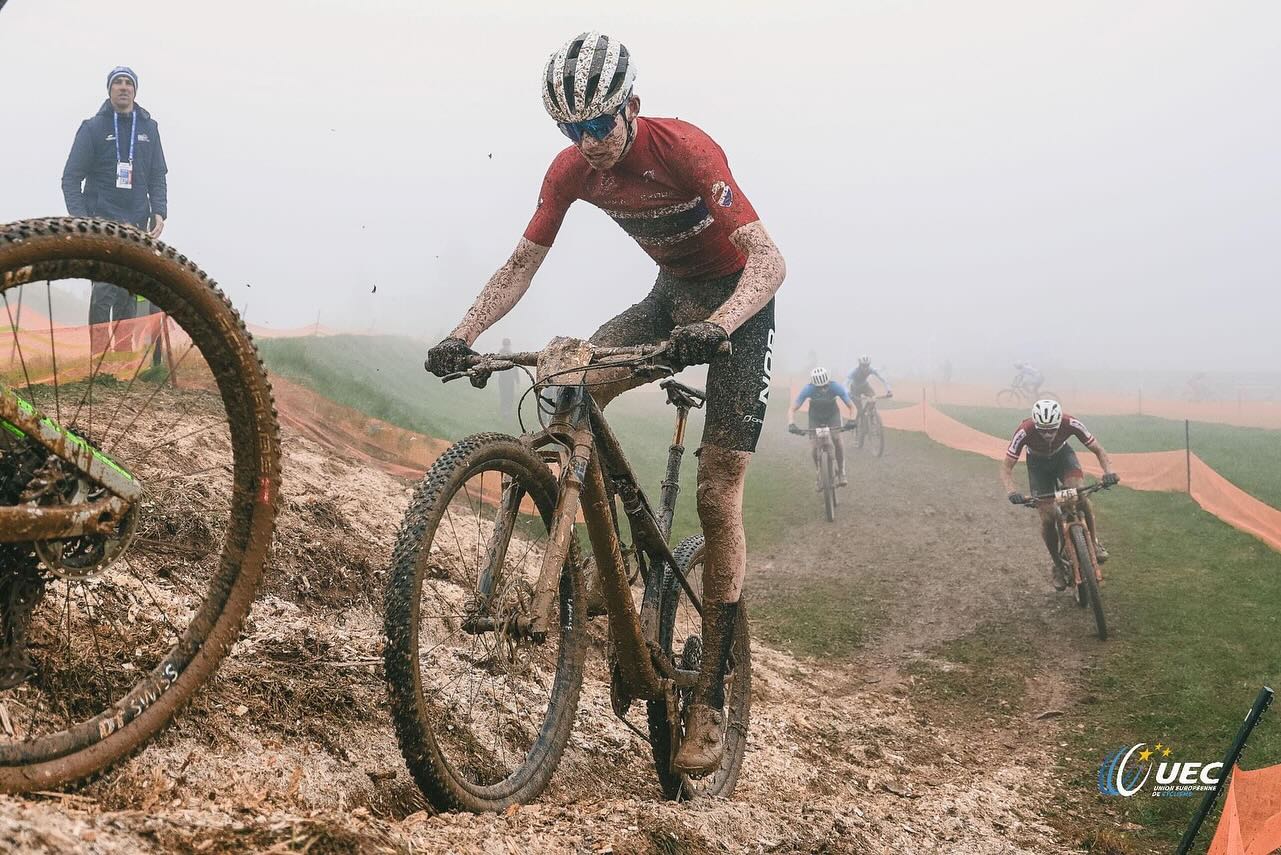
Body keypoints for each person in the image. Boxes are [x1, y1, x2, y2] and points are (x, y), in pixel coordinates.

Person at [424, 32, 785, 775]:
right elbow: (521, 263)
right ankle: (607, 566)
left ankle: (710, 697)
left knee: (717, 492)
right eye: (570, 128)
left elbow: (769, 261)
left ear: (631, 107)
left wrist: (720, 325)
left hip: (737, 312)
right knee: (570, 385)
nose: (587, 141)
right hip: (669, 301)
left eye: (598, 122)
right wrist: (461, 334)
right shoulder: (571, 171)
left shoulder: (686, 150)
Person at [61, 66, 168, 354]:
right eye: (117, 83)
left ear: (135, 90)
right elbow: (70, 178)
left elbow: (158, 174)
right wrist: (83, 221)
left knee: (128, 291)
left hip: (137, 223)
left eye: (128, 83)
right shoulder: (92, 128)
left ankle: (122, 358)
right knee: (103, 289)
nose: (123, 87)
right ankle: (98, 359)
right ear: (109, 90)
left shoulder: (149, 128)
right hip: (101, 221)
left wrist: (159, 210)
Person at [1000, 399, 1120, 590]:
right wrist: (1012, 492)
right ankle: (1057, 565)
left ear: (1059, 423)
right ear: (1035, 424)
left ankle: (1094, 543)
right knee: (1048, 517)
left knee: (1079, 494)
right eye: (1043, 430)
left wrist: (1108, 472)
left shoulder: (1070, 422)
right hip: (1037, 465)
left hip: (1063, 457)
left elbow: (1098, 449)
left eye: (1052, 430)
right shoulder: (1024, 430)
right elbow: (1006, 467)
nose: (1048, 435)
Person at [787, 367, 853, 488]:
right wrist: (791, 423)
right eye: (819, 387)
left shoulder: (836, 387)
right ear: (813, 385)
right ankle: (819, 471)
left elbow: (851, 406)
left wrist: (852, 420)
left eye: (825, 386)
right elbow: (792, 408)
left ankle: (841, 471)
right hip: (815, 417)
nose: (823, 389)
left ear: (829, 382)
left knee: (837, 438)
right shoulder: (808, 389)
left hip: (832, 415)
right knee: (814, 446)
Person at [846, 356, 893, 423]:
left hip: (865, 386)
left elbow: (883, 379)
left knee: (873, 399)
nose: (865, 368)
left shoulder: (871, 369)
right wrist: (847, 392)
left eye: (867, 365)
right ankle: (857, 423)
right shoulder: (854, 371)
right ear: (860, 365)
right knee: (859, 410)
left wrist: (889, 390)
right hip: (854, 389)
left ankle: (870, 414)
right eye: (863, 365)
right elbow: (846, 382)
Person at [497, 337, 518, 418]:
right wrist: (517, 378)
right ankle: (506, 411)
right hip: (507, 378)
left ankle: (505, 411)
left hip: (503, 378)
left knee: (504, 394)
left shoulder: (500, 353)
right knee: (508, 395)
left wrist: (516, 378)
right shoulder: (510, 353)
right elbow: (515, 367)